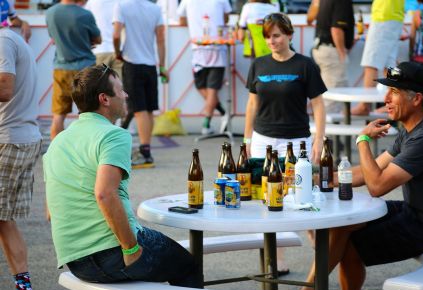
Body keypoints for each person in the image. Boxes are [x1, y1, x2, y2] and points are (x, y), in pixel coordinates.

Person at [279, 62, 423, 290]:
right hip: (419, 212)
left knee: (350, 238)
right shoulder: (412, 129)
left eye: (393, 92)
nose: (386, 99)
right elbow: (368, 172)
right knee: (342, 226)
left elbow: (376, 185)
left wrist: (362, 141)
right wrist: (315, 179)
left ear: (416, 99)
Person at [43, 65, 202, 290]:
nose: (126, 95)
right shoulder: (113, 135)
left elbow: (51, 210)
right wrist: (130, 248)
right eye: (120, 90)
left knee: (131, 259)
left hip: (76, 261)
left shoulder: (59, 141)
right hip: (111, 254)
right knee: (187, 267)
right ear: (104, 99)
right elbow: (105, 193)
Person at [0, 7, 42, 290]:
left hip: (7, 139)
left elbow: (4, 87)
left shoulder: (3, 41)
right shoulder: (12, 38)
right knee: (5, 220)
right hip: (21, 137)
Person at [244, 13, 326, 163]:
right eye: (267, 37)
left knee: (296, 186)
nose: (271, 41)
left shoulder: (306, 65)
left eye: (276, 36)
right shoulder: (258, 64)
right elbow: (252, 104)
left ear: (290, 35)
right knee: (261, 185)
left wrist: (319, 139)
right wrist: (247, 139)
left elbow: (318, 104)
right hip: (261, 140)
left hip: (296, 141)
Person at [113, 0, 167, 169]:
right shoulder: (156, 8)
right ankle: (146, 148)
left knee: (139, 110)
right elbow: (160, 39)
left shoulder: (122, 6)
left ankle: (145, 152)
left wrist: (118, 53)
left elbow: (115, 35)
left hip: (132, 62)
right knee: (149, 110)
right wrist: (163, 65)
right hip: (150, 64)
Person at [45, 0, 101, 139]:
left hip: (61, 68)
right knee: (89, 115)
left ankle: (56, 154)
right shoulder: (85, 14)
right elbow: (98, 39)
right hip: (85, 69)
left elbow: (53, 38)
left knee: (58, 115)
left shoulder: (50, 13)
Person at [177, 0, 232, 135]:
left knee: (211, 90)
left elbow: (181, 20)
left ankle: (206, 124)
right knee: (201, 86)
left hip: (213, 47)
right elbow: (226, 18)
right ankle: (224, 113)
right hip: (202, 48)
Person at [351, 0, 405, 115]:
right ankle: (394, 102)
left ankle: (365, 105)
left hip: (384, 15)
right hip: (395, 16)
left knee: (371, 63)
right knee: (390, 65)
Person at [311, 0, 354, 116]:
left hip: (321, 47)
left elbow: (309, 19)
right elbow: (336, 29)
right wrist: (342, 53)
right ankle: (328, 133)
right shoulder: (342, 2)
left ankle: (327, 130)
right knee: (334, 98)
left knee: (329, 95)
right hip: (331, 50)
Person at [85, 0, 123, 79]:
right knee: (118, 89)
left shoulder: (92, 2)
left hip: (99, 51)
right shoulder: (122, 3)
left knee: (100, 88)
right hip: (119, 52)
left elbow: (84, 24)